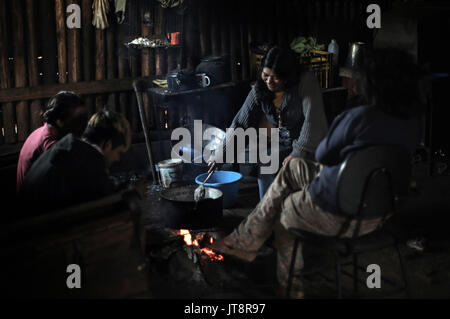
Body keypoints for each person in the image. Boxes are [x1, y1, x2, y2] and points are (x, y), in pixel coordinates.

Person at [209, 48, 425, 298]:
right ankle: (244, 241)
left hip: (341, 212)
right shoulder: (414, 122)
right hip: (383, 209)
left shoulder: (357, 117)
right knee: (291, 167)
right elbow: (241, 122)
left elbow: (323, 155)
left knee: (285, 207)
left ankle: (291, 289)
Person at [210, 46, 328, 199]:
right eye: (265, 75)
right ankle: (267, 209)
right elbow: (241, 122)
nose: (269, 81)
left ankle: (291, 210)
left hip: (308, 144)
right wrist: (221, 154)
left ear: (288, 76)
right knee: (262, 160)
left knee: (280, 166)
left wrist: (298, 153)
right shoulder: (260, 88)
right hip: (282, 141)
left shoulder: (305, 81)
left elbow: (313, 120)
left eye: (276, 77)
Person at [19, 109, 147, 216]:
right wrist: (134, 194)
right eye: (118, 152)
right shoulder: (91, 160)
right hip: (39, 233)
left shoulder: (70, 146)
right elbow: (105, 205)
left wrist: (123, 187)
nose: (117, 159)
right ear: (107, 144)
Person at [16, 91, 88, 192]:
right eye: (78, 119)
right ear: (59, 121)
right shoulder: (51, 143)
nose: (83, 124)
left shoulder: (41, 132)